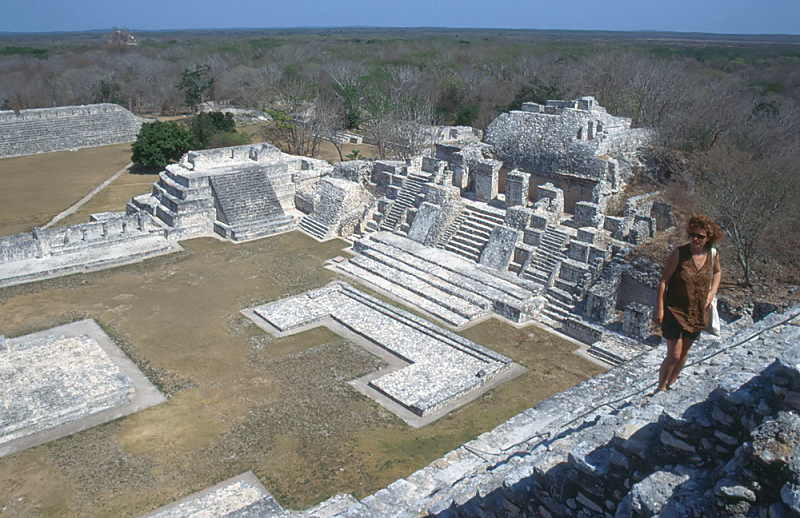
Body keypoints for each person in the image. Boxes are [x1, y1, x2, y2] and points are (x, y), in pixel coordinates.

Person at [653, 214, 722, 392]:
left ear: (708, 238)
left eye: (700, 236)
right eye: (692, 234)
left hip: (697, 311)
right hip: (674, 310)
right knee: (674, 354)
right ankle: (661, 388)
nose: (695, 239)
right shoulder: (679, 254)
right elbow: (663, 281)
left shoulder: (712, 255)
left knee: (684, 353)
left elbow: (717, 273)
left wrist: (713, 292)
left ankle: (672, 382)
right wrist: (659, 308)